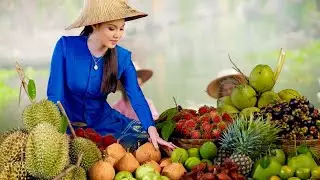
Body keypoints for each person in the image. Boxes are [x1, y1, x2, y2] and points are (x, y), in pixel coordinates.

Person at [46, 0, 175, 150]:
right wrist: (58, 131)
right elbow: (55, 95)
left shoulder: (123, 57)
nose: (117, 35)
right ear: (95, 24)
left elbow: (136, 96)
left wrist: (151, 129)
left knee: (148, 141)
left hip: (106, 125)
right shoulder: (66, 47)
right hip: (68, 126)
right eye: (112, 28)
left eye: (121, 28)